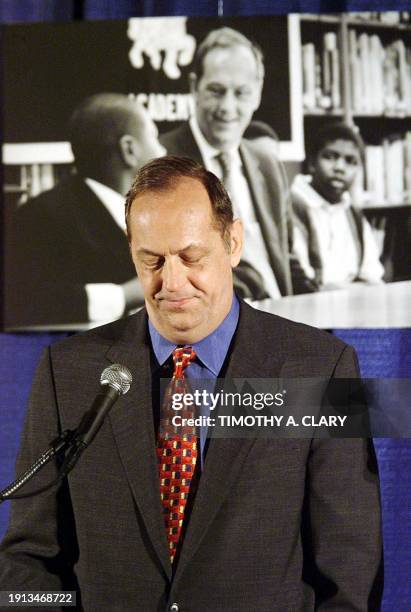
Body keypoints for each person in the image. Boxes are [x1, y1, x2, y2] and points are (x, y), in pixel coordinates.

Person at [0, 156, 383, 610]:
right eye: (152, 260)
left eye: (191, 256)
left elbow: (351, 570)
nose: (172, 282)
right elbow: (27, 563)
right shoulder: (66, 372)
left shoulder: (326, 364)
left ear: (233, 242)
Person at [5, 93, 165, 327]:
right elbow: (26, 300)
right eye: (155, 137)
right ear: (129, 150)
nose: (163, 150)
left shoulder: (153, 211)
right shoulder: (41, 217)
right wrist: (124, 295)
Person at [160, 27, 293, 301]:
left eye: (241, 93)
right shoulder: (162, 164)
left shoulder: (267, 164)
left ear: (257, 94)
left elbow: (285, 259)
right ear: (194, 87)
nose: (228, 108)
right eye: (216, 91)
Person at [291, 123, 385, 291]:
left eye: (350, 161)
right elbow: (302, 282)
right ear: (312, 162)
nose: (340, 168)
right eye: (330, 157)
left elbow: (372, 277)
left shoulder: (353, 214)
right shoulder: (293, 207)